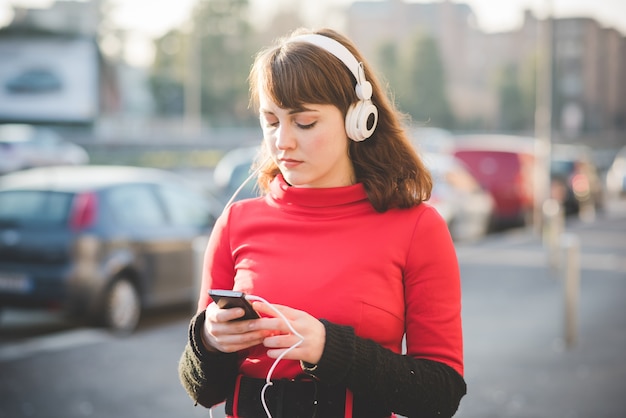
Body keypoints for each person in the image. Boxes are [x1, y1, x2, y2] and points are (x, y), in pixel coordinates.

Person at [178, 27, 466, 418]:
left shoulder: (418, 228)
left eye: (304, 122)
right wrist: (208, 340)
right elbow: (203, 389)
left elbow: (441, 394)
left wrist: (330, 349)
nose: (282, 141)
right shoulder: (235, 222)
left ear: (357, 120)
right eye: (271, 120)